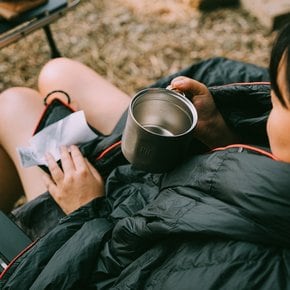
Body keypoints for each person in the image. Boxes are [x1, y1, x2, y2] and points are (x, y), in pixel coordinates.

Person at [0, 22, 290, 289]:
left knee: (12, 106)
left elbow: (124, 277)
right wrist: (222, 135)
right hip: (143, 192)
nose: (268, 111)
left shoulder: (256, 270)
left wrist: (84, 211)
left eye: (277, 102)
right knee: (59, 72)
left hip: (87, 239)